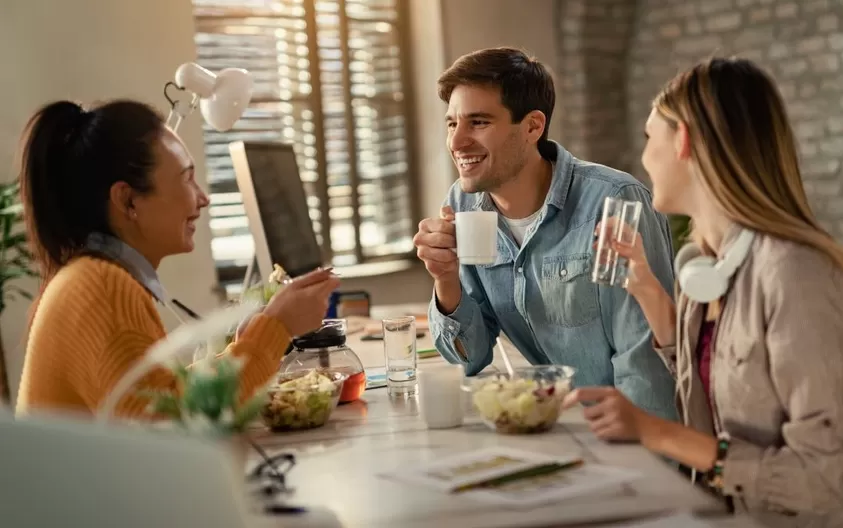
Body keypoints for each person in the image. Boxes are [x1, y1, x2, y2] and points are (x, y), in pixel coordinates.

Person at [563, 58, 843, 526]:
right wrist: (643, 286)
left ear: (683, 139)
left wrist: (654, 432)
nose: (643, 158)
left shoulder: (794, 273)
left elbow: (825, 477)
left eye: (650, 138)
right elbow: (709, 373)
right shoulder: (705, 263)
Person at [15, 99, 339, 419]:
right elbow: (173, 427)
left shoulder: (92, 275)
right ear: (128, 201)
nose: (203, 198)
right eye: (186, 178)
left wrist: (246, 343)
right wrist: (276, 328)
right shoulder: (102, 285)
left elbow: (167, 394)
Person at [414, 47, 677, 420]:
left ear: (533, 127)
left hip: (624, 438)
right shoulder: (463, 204)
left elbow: (646, 367)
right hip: (551, 425)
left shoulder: (613, 203)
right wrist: (445, 281)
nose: (457, 143)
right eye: (453, 123)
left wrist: (638, 469)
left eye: (479, 122)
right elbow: (467, 359)